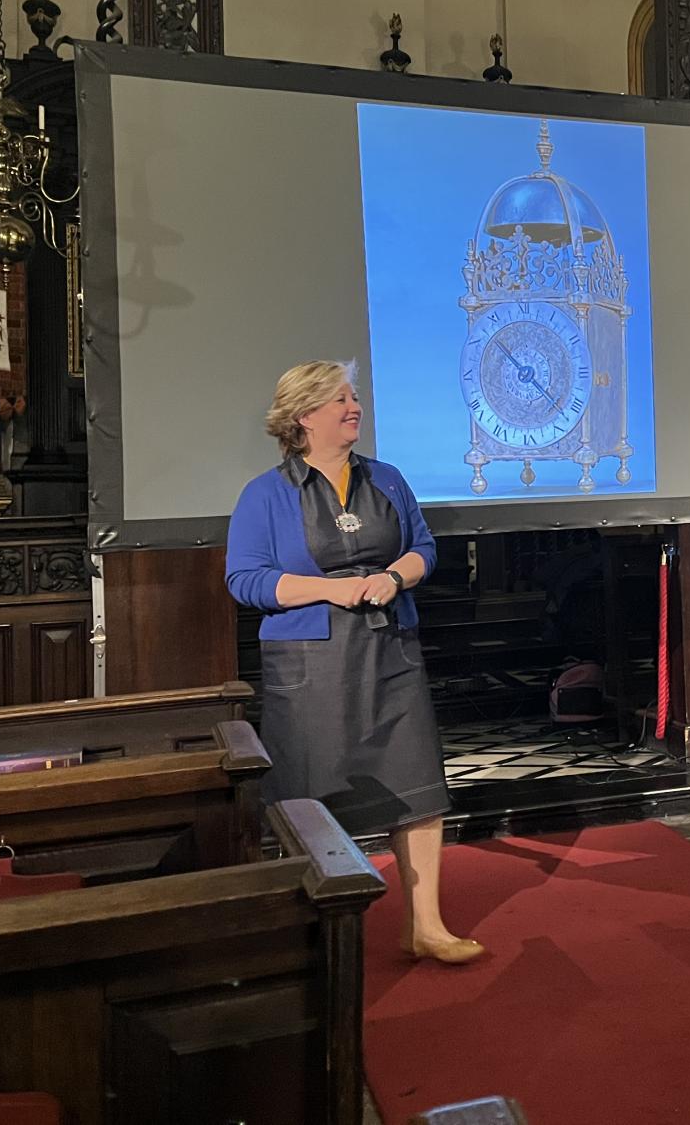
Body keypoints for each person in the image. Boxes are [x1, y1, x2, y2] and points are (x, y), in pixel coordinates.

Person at [226, 360, 483, 964]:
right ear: (303, 417)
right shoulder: (265, 494)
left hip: (390, 649)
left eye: (354, 397)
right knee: (307, 793)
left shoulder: (388, 479)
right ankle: (308, 937)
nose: (354, 408)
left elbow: (424, 547)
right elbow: (245, 579)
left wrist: (395, 578)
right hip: (311, 662)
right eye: (340, 399)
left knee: (416, 785)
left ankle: (426, 926)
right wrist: (327, 589)